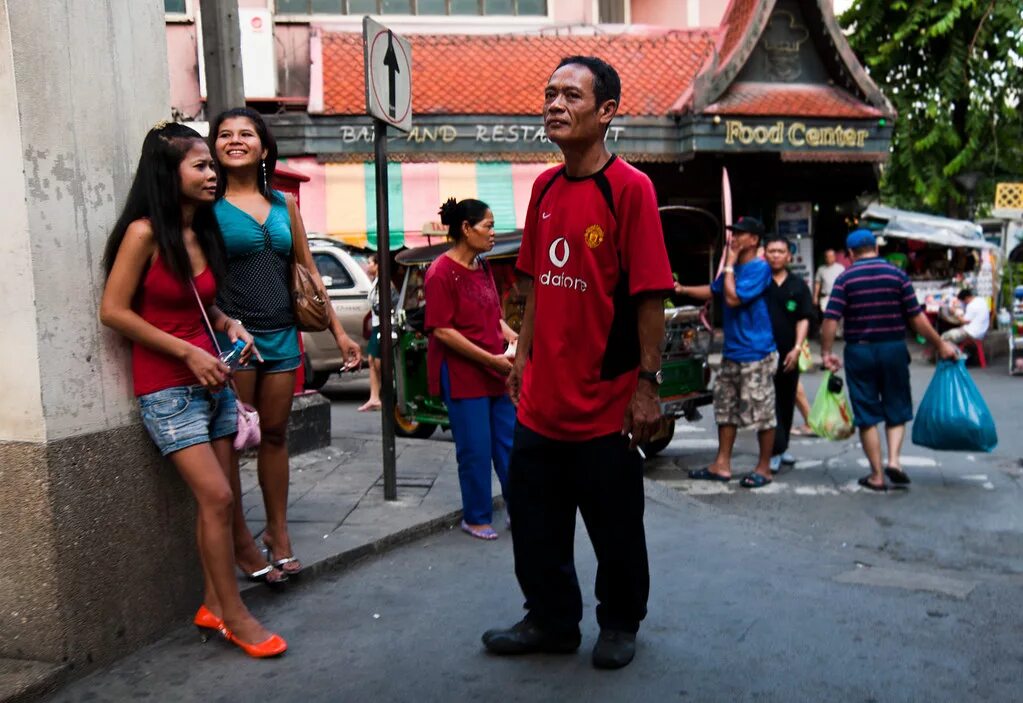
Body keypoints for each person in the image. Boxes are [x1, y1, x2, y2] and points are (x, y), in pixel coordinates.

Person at [481, 56, 671, 670]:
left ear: (607, 111)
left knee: (616, 530)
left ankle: (619, 622)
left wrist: (646, 384)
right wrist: (521, 358)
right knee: (535, 526)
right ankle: (552, 620)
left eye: (571, 95)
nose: (555, 105)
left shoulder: (631, 189)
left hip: (605, 402)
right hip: (542, 400)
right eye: (549, 94)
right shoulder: (543, 188)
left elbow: (649, 297)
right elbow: (535, 283)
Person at [99, 122, 286, 658]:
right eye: (201, 166)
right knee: (219, 496)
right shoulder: (143, 234)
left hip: (215, 382)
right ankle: (235, 616)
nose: (213, 175)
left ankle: (212, 601)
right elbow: (113, 312)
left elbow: (199, 304)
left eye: (211, 165)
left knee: (224, 502)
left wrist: (229, 325)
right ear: (168, 172)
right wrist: (185, 351)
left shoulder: (201, 231)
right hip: (167, 388)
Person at [210, 108, 362, 579]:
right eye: (225, 134)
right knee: (232, 443)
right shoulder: (206, 205)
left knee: (276, 437)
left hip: (282, 334)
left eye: (246, 134)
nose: (235, 140)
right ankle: (240, 540)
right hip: (234, 340)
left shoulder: (283, 206)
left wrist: (337, 333)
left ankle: (278, 532)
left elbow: (309, 273)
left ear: (264, 146)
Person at [821, 229, 958, 491]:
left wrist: (826, 352)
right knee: (896, 405)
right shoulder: (897, 275)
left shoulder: (845, 278)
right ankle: (894, 461)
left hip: (860, 351)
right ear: (876, 248)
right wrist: (940, 344)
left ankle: (877, 475)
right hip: (894, 348)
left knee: (867, 414)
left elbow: (830, 319)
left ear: (850, 254)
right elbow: (916, 318)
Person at [425, 198, 518, 540]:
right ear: (466, 228)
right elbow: (442, 330)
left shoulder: (483, 266)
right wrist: (489, 358)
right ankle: (476, 516)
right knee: (475, 450)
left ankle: (517, 508)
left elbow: (492, 314)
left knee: (509, 446)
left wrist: (512, 336)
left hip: (497, 370)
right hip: (464, 374)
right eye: (488, 226)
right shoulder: (440, 272)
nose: (493, 233)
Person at [678, 216, 778, 489]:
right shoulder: (731, 271)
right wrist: (682, 289)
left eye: (741, 234)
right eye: (733, 232)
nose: (734, 237)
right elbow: (714, 291)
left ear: (754, 240)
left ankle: (764, 468)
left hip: (756, 352)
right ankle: (722, 464)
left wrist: (730, 263)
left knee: (762, 412)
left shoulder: (759, 269)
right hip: (732, 352)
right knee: (725, 410)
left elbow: (733, 297)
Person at [763, 235, 814, 472]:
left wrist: (797, 348)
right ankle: (774, 450)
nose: (775, 255)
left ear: (788, 256)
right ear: (765, 254)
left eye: (780, 251)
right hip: (761, 352)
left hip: (789, 353)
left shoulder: (798, 285)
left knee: (786, 399)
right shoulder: (759, 281)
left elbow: (804, 318)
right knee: (768, 402)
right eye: (771, 251)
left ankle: (782, 449)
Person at [358, 253, 383, 412]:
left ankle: (379, 396)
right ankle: (374, 397)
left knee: (378, 363)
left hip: (381, 325)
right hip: (375, 325)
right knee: (372, 361)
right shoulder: (375, 282)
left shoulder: (383, 282)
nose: (367, 266)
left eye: (369, 262)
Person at [814, 248, 845, 317]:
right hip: (825, 297)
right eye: (828, 256)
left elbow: (844, 282)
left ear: (835, 257)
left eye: (832, 256)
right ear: (825, 257)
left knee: (838, 316)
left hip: (838, 296)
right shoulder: (821, 269)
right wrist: (815, 296)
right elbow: (817, 283)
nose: (830, 258)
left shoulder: (840, 268)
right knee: (827, 316)